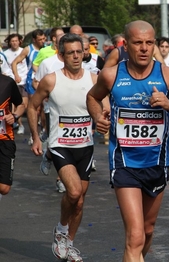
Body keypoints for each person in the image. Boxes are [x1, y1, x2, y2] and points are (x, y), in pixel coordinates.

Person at [86, 20, 169, 261]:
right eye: (137, 43)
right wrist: (98, 116)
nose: (143, 48)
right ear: (125, 46)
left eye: (149, 43)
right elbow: (92, 97)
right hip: (124, 164)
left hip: (156, 163)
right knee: (135, 235)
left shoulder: (167, 75)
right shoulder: (111, 75)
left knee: (148, 231)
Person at [27, 33, 105, 262]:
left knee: (79, 202)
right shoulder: (51, 80)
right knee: (73, 192)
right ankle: (61, 230)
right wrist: (36, 137)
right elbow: (33, 107)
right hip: (61, 143)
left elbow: (104, 105)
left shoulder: (93, 79)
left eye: (79, 52)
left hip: (85, 146)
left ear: (84, 53)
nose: (75, 56)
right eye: (70, 53)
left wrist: (102, 117)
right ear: (61, 56)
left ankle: (69, 243)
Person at [33, 33, 66, 193]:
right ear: (57, 45)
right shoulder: (48, 63)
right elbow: (36, 81)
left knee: (69, 143)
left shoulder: (79, 63)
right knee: (58, 141)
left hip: (76, 111)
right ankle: (61, 177)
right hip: (52, 110)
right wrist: (44, 93)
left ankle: (49, 156)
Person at [0, 72, 25, 200]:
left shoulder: (7, 83)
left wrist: (14, 116)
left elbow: (21, 105)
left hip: (5, 139)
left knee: (4, 188)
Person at [3, 33, 26, 134]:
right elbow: (5, 69)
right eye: (12, 41)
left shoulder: (24, 51)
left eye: (16, 41)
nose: (14, 43)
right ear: (9, 43)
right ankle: (18, 124)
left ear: (19, 41)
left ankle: (17, 121)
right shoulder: (6, 54)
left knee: (23, 105)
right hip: (11, 83)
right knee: (13, 106)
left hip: (24, 82)